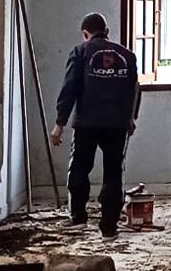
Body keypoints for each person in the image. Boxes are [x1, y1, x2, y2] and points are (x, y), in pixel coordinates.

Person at [52, 12, 140, 236]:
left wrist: (60, 123)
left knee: (79, 168)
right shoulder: (127, 55)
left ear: (85, 34)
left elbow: (70, 87)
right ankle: (109, 228)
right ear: (107, 31)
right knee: (114, 172)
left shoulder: (81, 51)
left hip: (87, 123)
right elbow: (134, 90)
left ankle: (78, 218)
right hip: (117, 124)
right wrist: (131, 119)